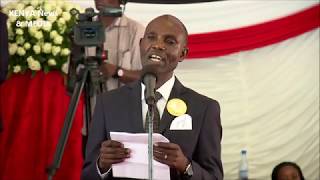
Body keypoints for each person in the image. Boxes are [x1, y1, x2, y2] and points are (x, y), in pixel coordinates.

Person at [81, 14, 223, 180]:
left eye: (169, 42)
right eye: (151, 37)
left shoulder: (204, 108)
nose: (158, 45)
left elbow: (214, 177)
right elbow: (88, 174)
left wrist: (186, 166)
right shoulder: (108, 103)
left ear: (183, 54)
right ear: (141, 44)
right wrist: (102, 165)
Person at [69, 0, 145, 93]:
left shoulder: (136, 30)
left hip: (121, 103)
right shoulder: (83, 28)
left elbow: (144, 77)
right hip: (89, 102)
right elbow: (70, 74)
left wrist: (117, 72)